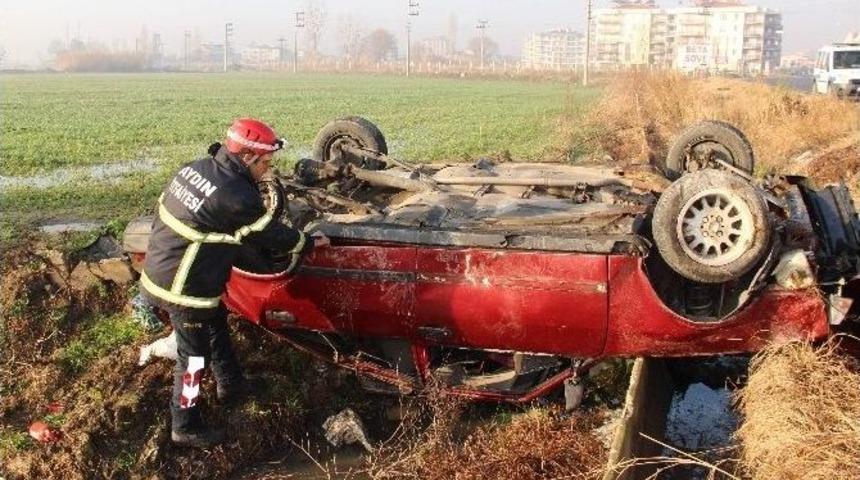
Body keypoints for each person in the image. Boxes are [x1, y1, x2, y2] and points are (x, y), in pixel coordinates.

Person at [139, 118, 323, 448]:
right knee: (193, 360)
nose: (267, 171)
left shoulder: (197, 167)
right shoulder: (235, 195)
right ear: (249, 157)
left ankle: (231, 385)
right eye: (265, 163)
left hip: (162, 268)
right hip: (183, 288)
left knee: (215, 326)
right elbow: (267, 235)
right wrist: (306, 243)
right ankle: (185, 425)